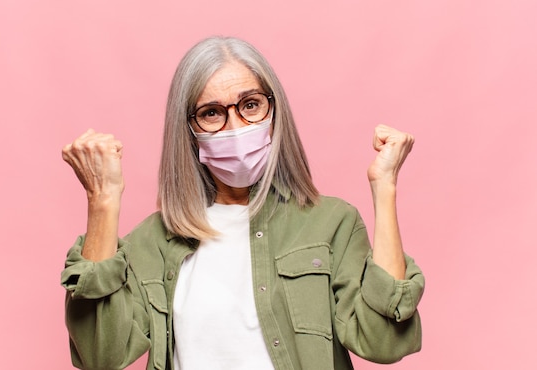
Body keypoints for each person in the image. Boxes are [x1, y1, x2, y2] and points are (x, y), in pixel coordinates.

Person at [60, 36, 424, 370]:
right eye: (212, 113)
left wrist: (385, 187)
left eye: (250, 105)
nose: (236, 127)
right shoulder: (152, 242)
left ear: (274, 111)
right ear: (188, 129)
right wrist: (102, 200)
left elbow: (384, 342)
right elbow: (100, 356)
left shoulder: (332, 222)